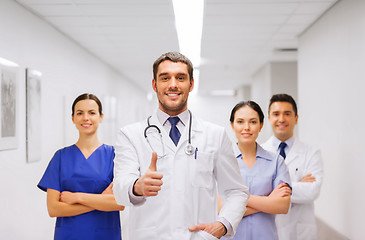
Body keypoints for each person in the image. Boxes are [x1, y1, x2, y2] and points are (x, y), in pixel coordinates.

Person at [113, 52, 249, 240]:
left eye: (181, 78)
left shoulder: (215, 134)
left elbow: (236, 191)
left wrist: (223, 225)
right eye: (165, 78)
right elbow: (120, 189)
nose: (173, 84)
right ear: (154, 84)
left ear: (191, 84)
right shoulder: (130, 134)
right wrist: (137, 186)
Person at [37, 93, 124, 240]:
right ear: (73, 118)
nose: (85, 118)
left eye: (92, 113)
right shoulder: (60, 157)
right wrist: (100, 200)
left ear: (101, 117)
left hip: (105, 234)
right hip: (69, 235)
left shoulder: (114, 156)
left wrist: (76, 197)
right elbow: (53, 208)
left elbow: (119, 203)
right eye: (79, 113)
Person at [220, 101, 291, 240]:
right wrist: (268, 201)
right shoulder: (221, 161)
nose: (246, 127)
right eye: (240, 121)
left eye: (253, 122)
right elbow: (220, 209)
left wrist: (235, 200)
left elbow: (283, 205)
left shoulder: (276, 162)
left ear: (261, 125)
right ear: (232, 125)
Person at [262, 93, 324, 240]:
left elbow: (312, 191)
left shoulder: (311, 153)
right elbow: (255, 191)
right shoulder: (260, 151)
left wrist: (273, 189)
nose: (281, 119)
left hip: (300, 232)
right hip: (268, 229)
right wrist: (297, 186)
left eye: (287, 114)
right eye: (276, 114)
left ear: (296, 118)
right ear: (269, 118)